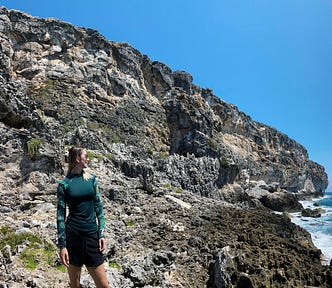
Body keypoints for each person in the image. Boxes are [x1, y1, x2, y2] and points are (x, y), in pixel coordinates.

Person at [56, 146, 109, 288]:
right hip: (73, 237)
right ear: (78, 159)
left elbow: (98, 206)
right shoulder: (64, 185)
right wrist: (62, 246)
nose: (88, 159)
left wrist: (101, 233)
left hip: (92, 236)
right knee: (74, 284)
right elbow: (60, 216)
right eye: (86, 156)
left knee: (104, 285)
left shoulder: (91, 179)